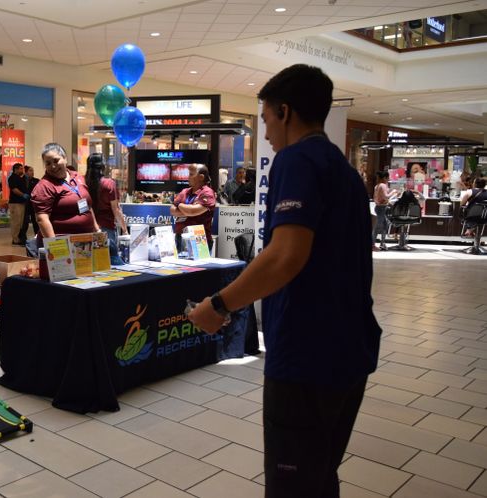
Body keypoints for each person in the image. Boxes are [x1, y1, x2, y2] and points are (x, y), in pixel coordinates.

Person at [187, 64, 381, 498]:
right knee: (320, 473)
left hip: (308, 353)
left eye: (266, 118)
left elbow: (285, 256)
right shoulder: (344, 171)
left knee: (293, 483)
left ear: (286, 111)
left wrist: (219, 305)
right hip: (350, 349)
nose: (267, 132)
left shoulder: (296, 160)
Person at [31, 143, 100, 240]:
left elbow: (87, 206)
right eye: (48, 163)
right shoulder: (44, 186)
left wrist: (97, 231)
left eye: (56, 161)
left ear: (65, 158)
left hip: (86, 241)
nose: (53, 166)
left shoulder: (77, 177)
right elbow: (42, 219)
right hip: (63, 244)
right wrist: (55, 246)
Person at [84, 153, 128, 262]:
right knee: (111, 262)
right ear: (103, 166)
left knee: (90, 263)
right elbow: (116, 210)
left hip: (86, 228)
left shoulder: (83, 182)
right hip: (106, 229)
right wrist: (125, 230)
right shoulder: (109, 183)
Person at [170, 164, 216, 251]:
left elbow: (192, 211)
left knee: (198, 265)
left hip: (199, 238)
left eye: (191, 174)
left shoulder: (207, 193)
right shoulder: (185, 191)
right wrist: (188, 210)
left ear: (201, 177)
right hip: (180, 237)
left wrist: (179, 204)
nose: (188, 177)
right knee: (179, 264)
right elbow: (172, 210)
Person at [372, 171, 398, 251]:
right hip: (381, 208)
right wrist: (393, 192)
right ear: (385, 178)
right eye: (387, 178)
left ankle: (382, 243)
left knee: (384, 225)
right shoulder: (383, 185)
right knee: (378, 227)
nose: (388, 179)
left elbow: (375, 198)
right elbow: (386, 197)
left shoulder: (377, 186)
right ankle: (372, 244)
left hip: (379, 207)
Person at [7, 162, 29, 245]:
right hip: (15, 203)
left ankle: (19, 238)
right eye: (20, 168)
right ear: (15, 169)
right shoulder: (12, 178)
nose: (22, 170)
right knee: (16, 222)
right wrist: (23, 195)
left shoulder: (21, 178)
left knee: (20, 222)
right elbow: (14, 189)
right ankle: (15, 239)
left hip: (21, 202)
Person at [20, 165, 40, 239]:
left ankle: (37, 236)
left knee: (35, 221)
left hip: (33, 204)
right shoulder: (21, 180)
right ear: (26, 172)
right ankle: (22, 238)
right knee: (24, 222)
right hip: (24, 204)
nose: (32, 172)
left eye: (33, 170)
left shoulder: (36, 181)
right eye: (30, 170)